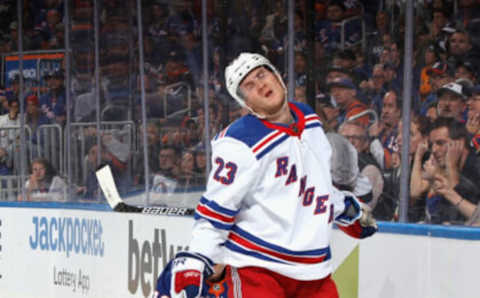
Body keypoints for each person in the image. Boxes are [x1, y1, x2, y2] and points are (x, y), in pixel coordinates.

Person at [155, 53, 377, 298]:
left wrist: (342, 207)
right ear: (246, 104)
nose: (260, 84)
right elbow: (214, 214)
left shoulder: (309, 118)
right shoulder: (239, 142)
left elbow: (316, 181)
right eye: (249, 86)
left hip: (314, 272)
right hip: (258, 270)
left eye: (262, 74)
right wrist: (198, 257)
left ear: (278, 76)